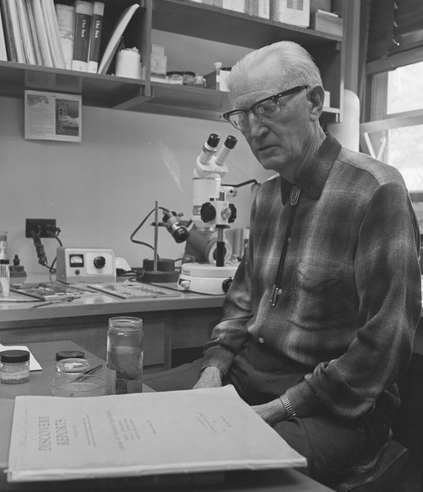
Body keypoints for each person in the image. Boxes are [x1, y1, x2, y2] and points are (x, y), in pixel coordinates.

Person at [144, 41, 421, 485]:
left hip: (339, 404)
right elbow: (240, 306)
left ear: (315, 102)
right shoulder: (267, 197)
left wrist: (278, 409)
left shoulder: (375, 190)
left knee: (217, 468)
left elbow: (383, 345)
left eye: (268, 107)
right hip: (252, 370)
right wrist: (211, 374)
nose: (254, 129)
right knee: (135, 412)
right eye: (242, 115)